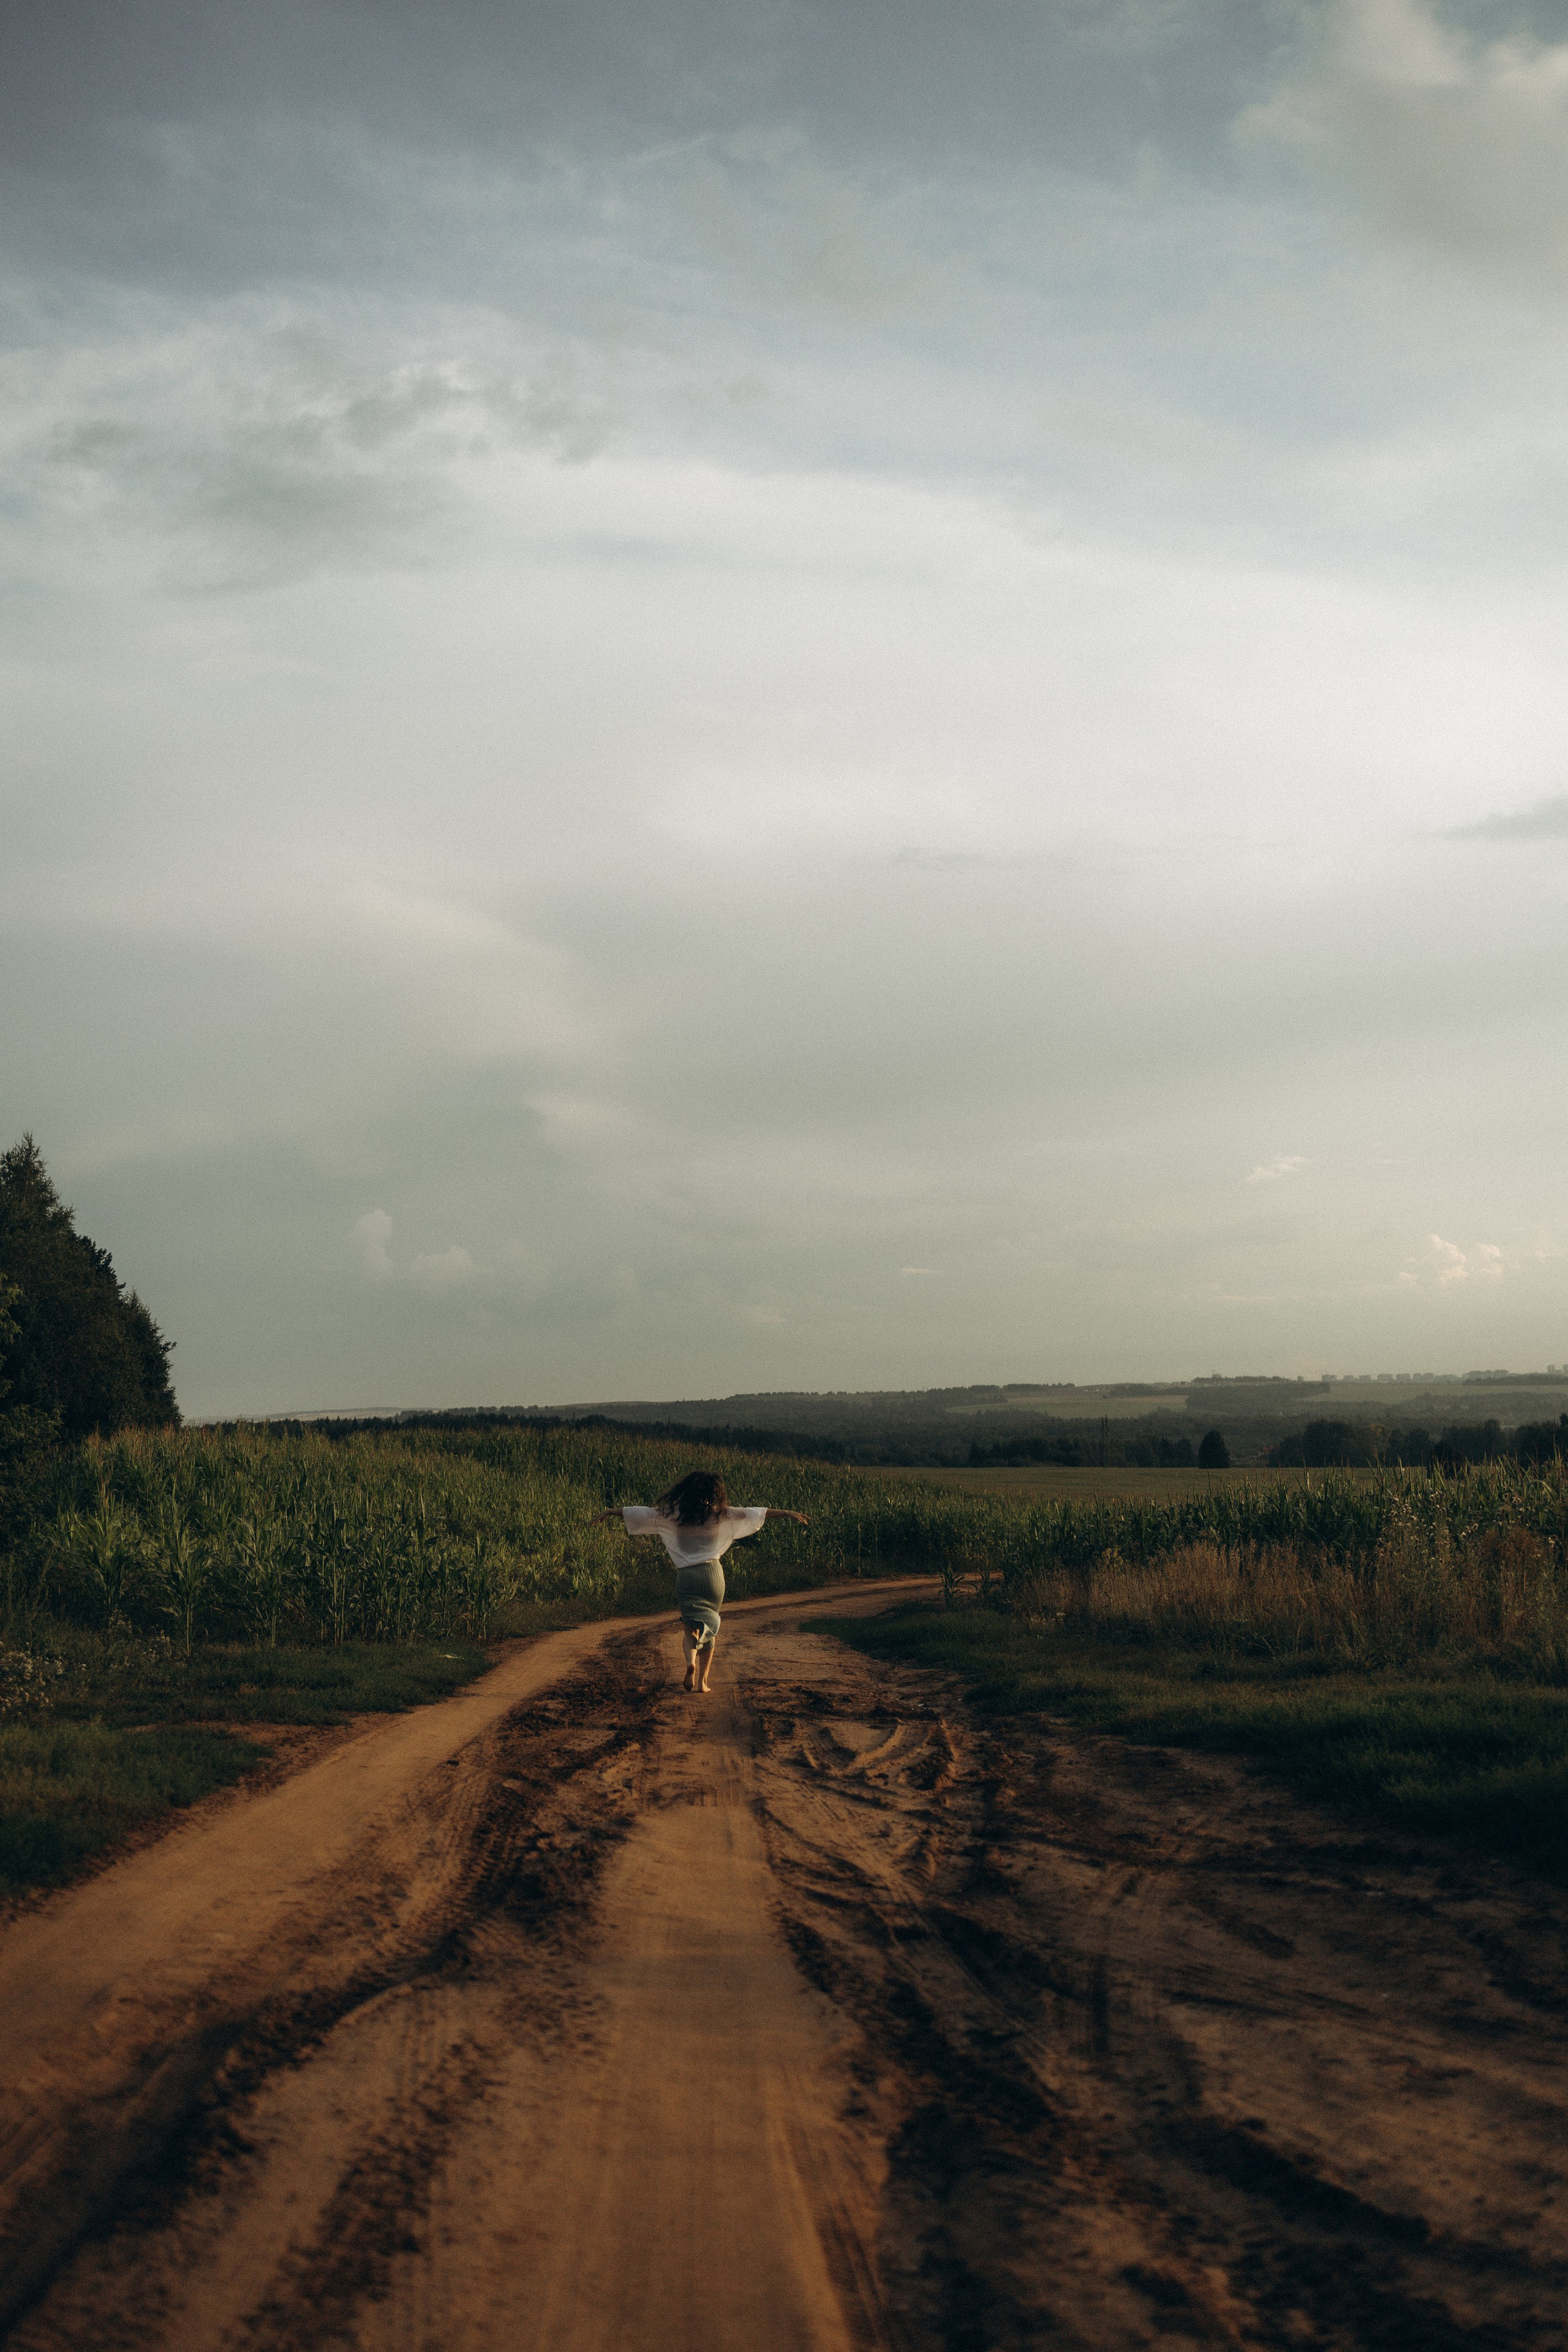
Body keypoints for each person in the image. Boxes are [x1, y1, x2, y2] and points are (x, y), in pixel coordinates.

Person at [589, 1470, 808, 1694]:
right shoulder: (719, 1514)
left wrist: (610, 1511)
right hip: (713, 1575)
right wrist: (786, 1513)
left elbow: (640, 1514)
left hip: (688, 1576)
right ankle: (703, 1683)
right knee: (710, 1626)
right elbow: (752, 1514)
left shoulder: (672, 1514)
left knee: (690, 1629)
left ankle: (690, 1663)